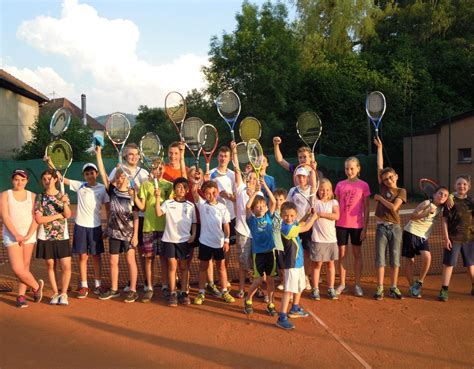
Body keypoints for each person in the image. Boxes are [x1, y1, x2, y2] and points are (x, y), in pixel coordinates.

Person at [96, 145, 139, 303]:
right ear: (116, 179)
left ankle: (133, 290)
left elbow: (136, 216)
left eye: (124, 177)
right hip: (114, 233)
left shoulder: (132, 194)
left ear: (128, 179)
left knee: (130, 261)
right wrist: (99, 154)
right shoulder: (112, 191)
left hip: (128, 235)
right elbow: (102, 172)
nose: (121, 179)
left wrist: (135, 236)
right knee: (113, 261)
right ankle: (114, 289)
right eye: (119, 177)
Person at [61, 163, 110, 298]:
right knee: (82, 256)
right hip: (80, 226)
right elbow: (60, 178)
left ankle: (98, 285)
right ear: (84, 176)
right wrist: (51, 163)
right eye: (87, 173)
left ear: (96, 174)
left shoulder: (102, 189)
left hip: (96, 227)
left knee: (96, 257)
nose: (90, 175)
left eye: (92, 172)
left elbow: (108, 208)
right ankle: (84, 285)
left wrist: (108, 226)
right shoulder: (80, 185)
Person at [108, 143, 149, 294]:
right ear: (125, 155)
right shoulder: (118, 170)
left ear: (139, 156)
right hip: (124, 222)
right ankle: (132, 282)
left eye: (135, 154)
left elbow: (147, 193)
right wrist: (119, 170)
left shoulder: (144, 173)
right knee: (129, 254)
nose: (133, 156)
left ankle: (146, 281)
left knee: (142, 252)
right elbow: (111, 186)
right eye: (130, 154)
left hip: (141, 217)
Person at [1, 169, 43, 308]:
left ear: (27, 181)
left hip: (28, 236)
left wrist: (28, 235)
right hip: (11, 236)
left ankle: (21, 296)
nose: (19, 182)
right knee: (17, 268)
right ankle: (36, 287)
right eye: (16, 179)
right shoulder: (5, 195)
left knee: (25, 267)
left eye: (22, 179)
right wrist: (16, 235)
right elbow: (5, 217)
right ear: (12, 180)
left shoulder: (33, 196)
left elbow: (36, 218)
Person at [191, 179, 235, 305]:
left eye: (213, 192)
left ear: (216, 192)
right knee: (203, 267)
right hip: (205, 242)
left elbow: (226, 226)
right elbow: (194, 191)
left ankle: (225, 292)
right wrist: (197, 181)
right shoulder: (202, 205)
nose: (211, 195)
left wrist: (226, 240)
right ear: (204, 194)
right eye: (208, 193)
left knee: (221, 267)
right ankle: (201, 292)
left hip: (219, 243)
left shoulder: (222, 208)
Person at [134, 163, 173, 302]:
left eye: (160, 168)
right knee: (149, 260)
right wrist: (134, 196)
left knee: (163, 259)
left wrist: (159, 197)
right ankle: (149, 288)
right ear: (151, 170)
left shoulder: (169, 185)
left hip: (164, 227)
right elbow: (143, 208)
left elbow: (170, 204)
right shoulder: (145, 185)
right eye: (155, 168)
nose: (158, 170)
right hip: (148, 227)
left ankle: (164, 286)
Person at [373, 136, 406, 300]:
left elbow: (394, 207)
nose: (388, 180)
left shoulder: (402, 191)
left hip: (395, 228)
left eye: (390, 177)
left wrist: (380, 199)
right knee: (380, 259)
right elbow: (379, 166)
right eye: (385, 179)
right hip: (381, 228)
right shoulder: (382, 185)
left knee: (395, 259)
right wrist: (380, 148)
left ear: (396, 176)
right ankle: (380, 288)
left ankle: (393, 287)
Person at [276, 202, 319, 330]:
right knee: (288, 291)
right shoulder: (286, 228)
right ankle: (282, 317)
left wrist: (307, 215)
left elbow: (299, 223)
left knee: (300, 286)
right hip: (291, 264)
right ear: (281, 215)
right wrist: (314, 218)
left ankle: (295, 308)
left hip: (299, 263)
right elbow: (305, 228)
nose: (289, 218)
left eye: (292, 215)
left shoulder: (292, 223)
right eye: (286, 216)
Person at [155, 177, 196, 306]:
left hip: (184, 241)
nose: (181, 189)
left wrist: (193, 234)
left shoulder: (191, 206)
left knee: (184, 267)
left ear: (187, 190)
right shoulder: (168, 203)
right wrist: (157, 198)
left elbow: (194, 222)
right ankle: (173, 293)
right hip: (169, 240)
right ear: (174, 189)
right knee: (172, 266)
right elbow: (158, 213)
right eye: (178, 187)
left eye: (184, 187)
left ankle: (184, 292)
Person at [402, 186, 449, 298]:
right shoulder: (426, 203)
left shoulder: (442, 209)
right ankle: (412, 287)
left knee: (427, 257)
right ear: (434, 195)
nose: (442, 196)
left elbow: (452, 200)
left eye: (445, 195)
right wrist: (426, 213)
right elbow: (412, 216)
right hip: (411, 232)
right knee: (410, 261)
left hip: (423, 237)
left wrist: (450, 197)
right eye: (440, 193)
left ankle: (419, 282)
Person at [35, 169, 72, 305]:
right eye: (44, 179)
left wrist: (65, 202)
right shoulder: (40, 197)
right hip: (46, 235)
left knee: (66, 266)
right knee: (51, 265)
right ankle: (55, 293)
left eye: (50, 178)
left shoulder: (63, 195)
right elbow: (39, 219)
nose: (47, 181)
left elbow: (67, 215)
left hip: (62, 235)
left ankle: (64, 294)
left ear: (55, 179)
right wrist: (57, 215)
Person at [334, 157, 370, 296]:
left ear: (358, 169)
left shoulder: (364, 185)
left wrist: (365, 228)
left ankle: (357, 284)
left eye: (352, 168)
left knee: (357, 254)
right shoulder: (340, 185)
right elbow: (335, 206)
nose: (349, 171)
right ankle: (342, 284)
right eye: (347, 169)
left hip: (357, 226)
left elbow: (366, 208)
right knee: (342, 254)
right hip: (341, 225)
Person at [244, 180, 278, 316]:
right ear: (253, 209)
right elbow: (247, 206)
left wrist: (264, 187)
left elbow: (274, 202)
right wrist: (254, 194)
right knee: (258, 280)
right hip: (258, 254)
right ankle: (248, 299)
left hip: (271, 252)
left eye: (263, 205)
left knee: (270, 280)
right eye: (258, 206)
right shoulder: (251, 220)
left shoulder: (269, 216)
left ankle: (271, 303)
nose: (261, 208)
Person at [231, 141, 260, 298]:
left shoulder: (259, 195)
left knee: (256, 263)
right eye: (248, 179)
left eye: (253, 179)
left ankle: (256, 288)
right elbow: (236, 169)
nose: (250, 181)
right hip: (242, 232)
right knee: (242, 264)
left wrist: (254, 194)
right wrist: (234, 151)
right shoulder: (240, 188)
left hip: (256, 234)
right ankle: (242, 288)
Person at [438, 175, 474, 301]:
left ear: (468, 187)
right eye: (459, 183)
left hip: (469, 238)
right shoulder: (450, 202)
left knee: (471, 264)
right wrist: (446, 238)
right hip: (453, 238)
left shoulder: (471, 202)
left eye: (464, 184)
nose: (462, 186)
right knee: (449, 264)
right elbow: (444, 220)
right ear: (454, 186)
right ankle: (444, 289)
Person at [286, 165, 317, 291]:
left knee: (307, 252)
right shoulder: (293, 190)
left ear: (307, 177)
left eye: (303, 176)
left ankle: (306, 277)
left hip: (309, 227)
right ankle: (294, 277)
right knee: (295, 252)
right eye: (299, 176)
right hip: (296, 227)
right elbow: (287, 206)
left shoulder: (312, 191)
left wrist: (313, 169)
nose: (301, 179)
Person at [310, 178, 340, 300]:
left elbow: (336, 216)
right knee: (317, 264)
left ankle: (331, 288)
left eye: (327, 190)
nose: (324, 192)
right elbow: (312, 186)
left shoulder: (334, 203)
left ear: (331, 191)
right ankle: (315, 289)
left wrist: (321, 214)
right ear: (318, 191)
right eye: (322, 190)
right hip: (317, 239)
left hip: (331, 240)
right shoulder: (315, 202)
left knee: (330, 264)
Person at [273, 188, 288, 291]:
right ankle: (281, 278)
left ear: (285, 200)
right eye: (276, 199)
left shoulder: (286, 214)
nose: (278, 202)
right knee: (277, 264)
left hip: (282, 245)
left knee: (283, 266)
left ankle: (285, 282)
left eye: (281, 199)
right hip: (273, 244)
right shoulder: (272, 212)